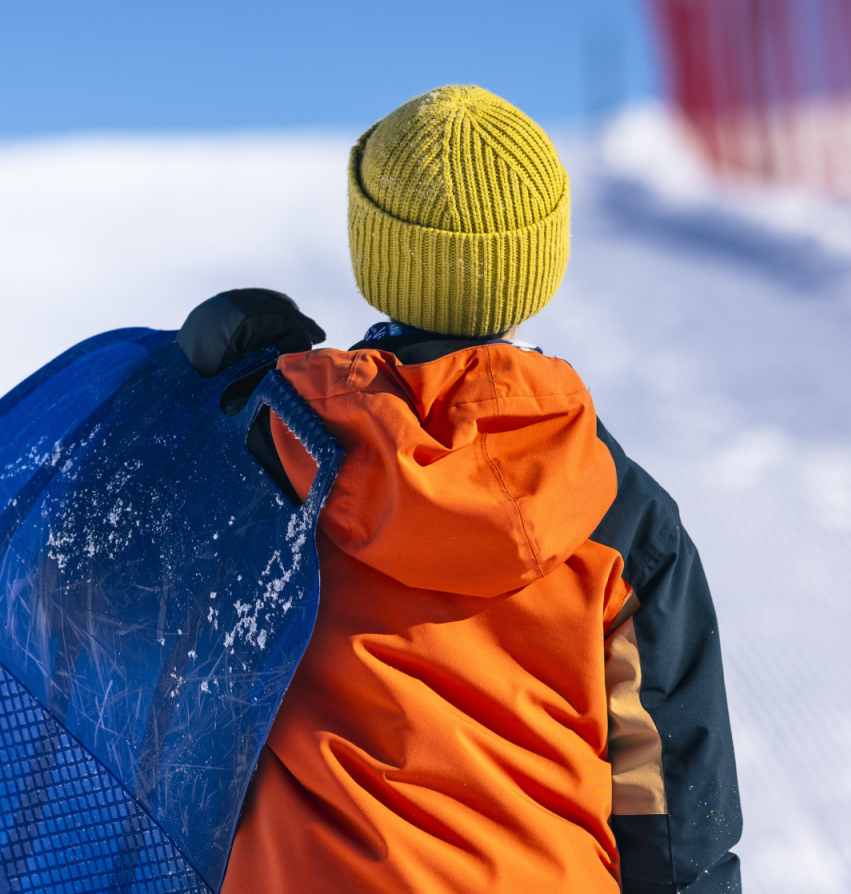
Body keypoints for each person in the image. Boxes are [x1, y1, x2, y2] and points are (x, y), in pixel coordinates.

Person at [177, 86, 742, 893]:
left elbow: (98, 608)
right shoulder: (622, 514)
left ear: (374, 247)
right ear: (538, 262)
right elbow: (676, 817)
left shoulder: (276, 448)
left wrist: (198, 386)